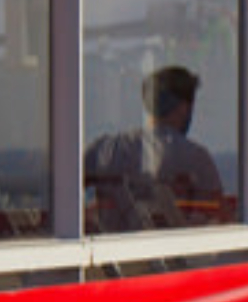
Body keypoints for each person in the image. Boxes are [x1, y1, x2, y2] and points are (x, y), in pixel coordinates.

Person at [84, 65, 224, 231]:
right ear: (183, 108)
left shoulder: (105, 149)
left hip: (110, 254)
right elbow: (217, 219)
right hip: (171, 255)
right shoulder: (197, 159)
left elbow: (67, 190)